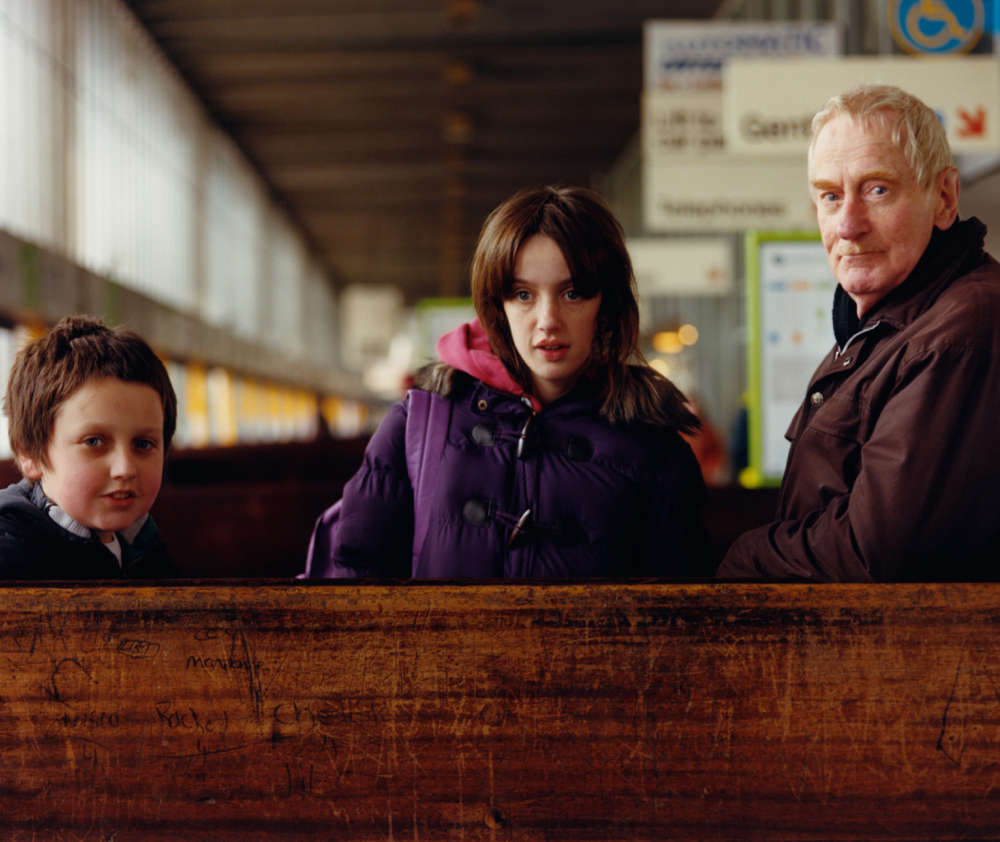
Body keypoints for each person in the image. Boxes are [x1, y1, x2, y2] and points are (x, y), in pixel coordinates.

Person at [306, 185, 711, 578]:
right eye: (523, 295)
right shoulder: (419, 421)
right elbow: (353, 580)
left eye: (573, 293)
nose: (548, 319)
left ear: (606, 303)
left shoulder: (655, 448)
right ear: (497, 305)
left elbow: (682, 618)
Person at [717, 83, 1000, 582]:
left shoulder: (959, 330)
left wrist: (747, 556)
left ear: (944, 197)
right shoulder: (883, 327)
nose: (847, 224)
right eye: (829, 195)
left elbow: (875, 550)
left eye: (877, 189)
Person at [0, 315, 178, 579]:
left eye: (143, 444)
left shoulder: (145, 548)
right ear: (30, 454)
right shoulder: (10, 561)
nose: (125, 469)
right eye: (93, 442)